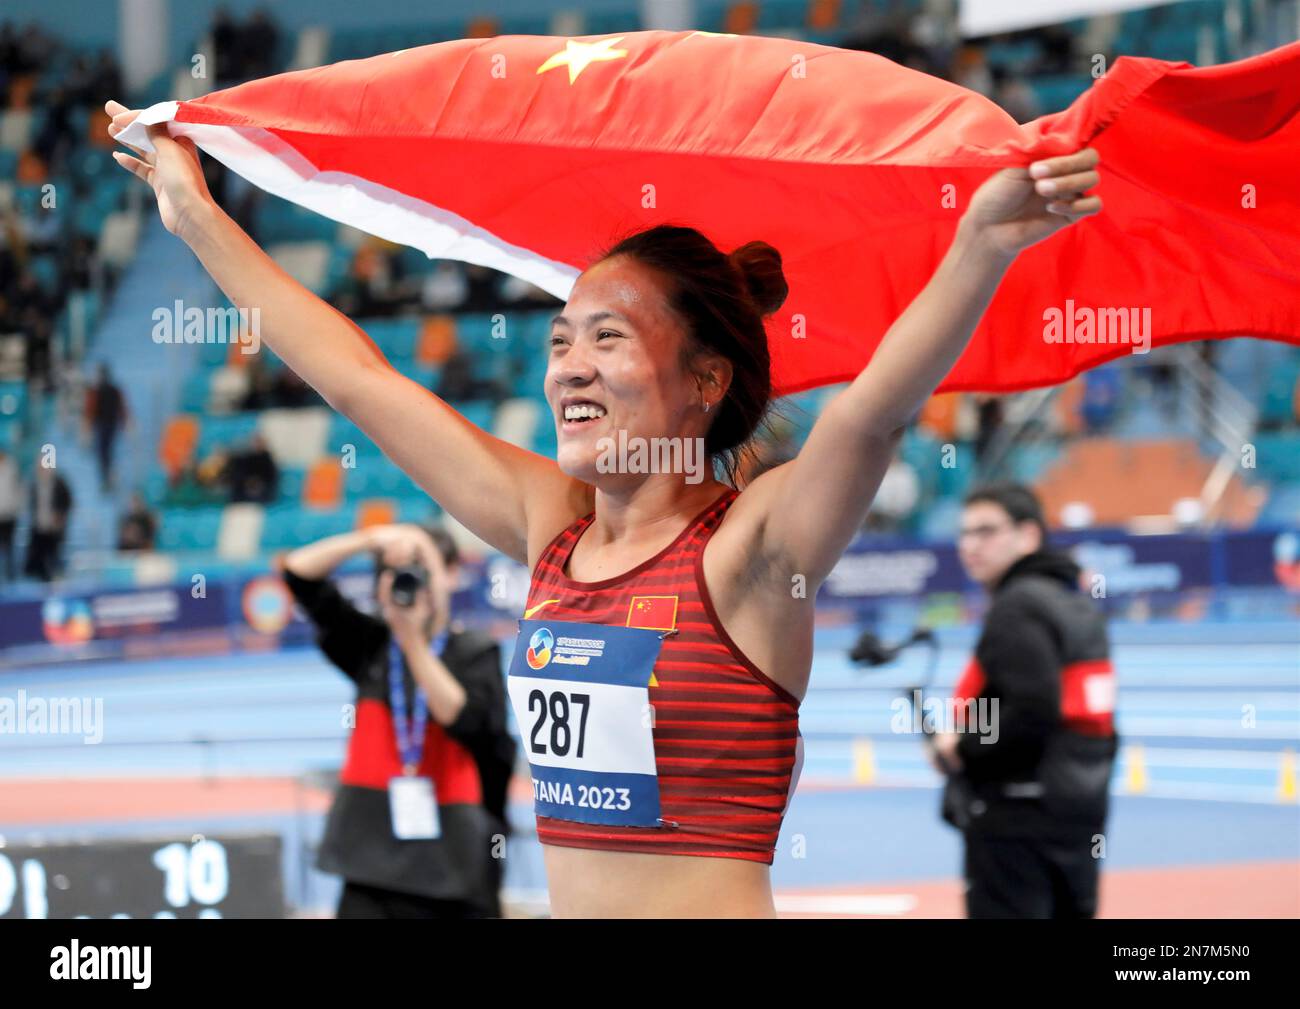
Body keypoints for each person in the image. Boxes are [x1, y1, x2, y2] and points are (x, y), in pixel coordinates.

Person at [107, 96, 1104, 917]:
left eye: (609, 339)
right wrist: (194, 214)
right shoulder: (555, 522)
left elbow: (870, 417)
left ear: (703, 379)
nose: (569, 368)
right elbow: (360, 381)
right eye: (558, 341)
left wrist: (978, 245)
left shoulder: (751, 549)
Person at [282, 523, 515, 918]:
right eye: (391, 571)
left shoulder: (476, 652)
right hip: (372, 864)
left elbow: (464, 718)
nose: (409, 579)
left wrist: (412, 641)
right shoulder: (371, 646)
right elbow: (299, 574)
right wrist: (370, 539)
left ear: (451, 574)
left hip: (456, 864)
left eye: (421, 566)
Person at [933, 483, 1118, 918]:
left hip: (1019, 816)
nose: (970, 545)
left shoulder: (1017, 606)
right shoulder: (1075, 604)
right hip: (1079, 807)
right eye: (965, 533)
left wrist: (959, 747)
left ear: (1029, 535)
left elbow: (1031, 710)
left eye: (986, 531)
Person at [83, 363, 129, 493]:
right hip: (106, 425)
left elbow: (122, 409)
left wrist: (125, 423)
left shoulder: (103, 391)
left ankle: (107, 478)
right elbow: (90, 411)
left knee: (104, 453)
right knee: (105, 453)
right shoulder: (98, 391)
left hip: (107, 426)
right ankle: (107, 478)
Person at [25, 462, 72, 581]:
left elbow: (68, 501)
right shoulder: (35, 485)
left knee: (54, 557)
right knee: (39, 559)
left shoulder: (59, 483)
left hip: (54, 528)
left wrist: (60, 516)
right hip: (39, 527)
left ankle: (55, 578)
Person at [0, 447, 21, 581]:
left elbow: (17, 489)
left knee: (9, 547)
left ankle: (11, 576)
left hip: (9, 514)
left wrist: (15, 508)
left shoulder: (11, 466)